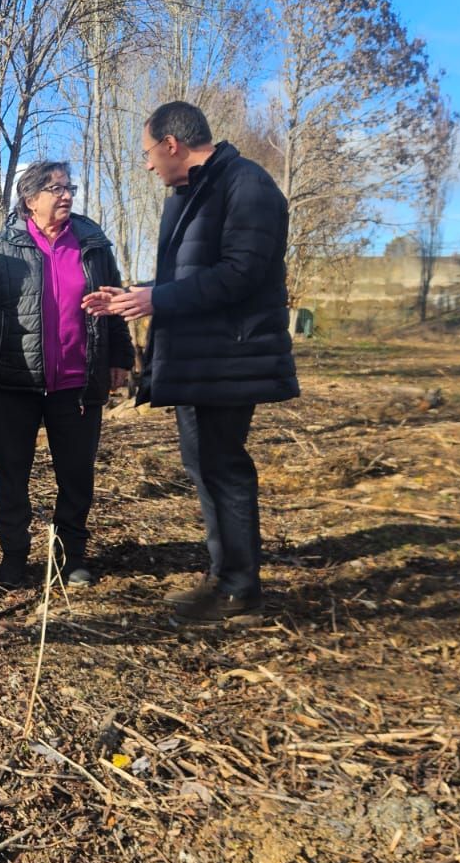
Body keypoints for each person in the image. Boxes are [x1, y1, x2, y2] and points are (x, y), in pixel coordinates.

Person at [82, 101, 298, 622]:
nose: (148, 164)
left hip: (231, 357)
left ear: (172, 144)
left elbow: (240, 274)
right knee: (205, 466)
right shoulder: (192, 192)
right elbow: (191, 278)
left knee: (224, 466)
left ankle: (241, 590)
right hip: (199, 359)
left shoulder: (246, 185)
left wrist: (156, 299)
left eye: (148, 153)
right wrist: (136, 295)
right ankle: (224, 579)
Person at [0, 161, 133, 588]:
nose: (67, 195)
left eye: (69, 187)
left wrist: (121, 357)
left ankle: (71, 557)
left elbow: (113, 303)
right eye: (56, 189)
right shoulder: (1, 246)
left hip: (77, 382)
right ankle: (14, 556)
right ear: (30, 198)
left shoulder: (92, 243)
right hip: (12, 381)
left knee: (76, 475)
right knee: (11, 474)